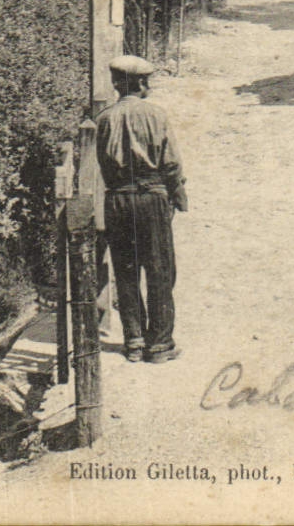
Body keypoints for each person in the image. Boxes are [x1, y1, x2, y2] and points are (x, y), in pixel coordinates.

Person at [96, 54, 188, 363]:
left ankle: (133, 341)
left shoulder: (105, 119)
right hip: (151, 197)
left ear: (116, 85)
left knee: (125, 270)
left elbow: (102, 164)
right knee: (160, 270)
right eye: (145, 81)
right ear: (140, 83)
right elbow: (171, 163)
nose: (148, 85)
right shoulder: (156, 115)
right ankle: (160, 344)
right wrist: (177, 194)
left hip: (118, 199)